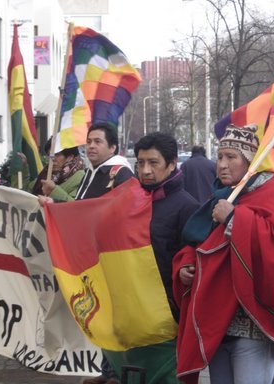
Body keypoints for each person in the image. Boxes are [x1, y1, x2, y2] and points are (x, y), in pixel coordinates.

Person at [172, 124, 274, 384]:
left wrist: (235, 218)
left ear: (251, 161)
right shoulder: (222, 197)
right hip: (218, 324)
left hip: (254, 328)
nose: (222, 164)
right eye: (220, 156)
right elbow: (197, 242)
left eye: (231, 157)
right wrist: (187, 265)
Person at [40, 123, 134, 384]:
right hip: (94, 257)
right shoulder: (95, 172)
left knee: (112, 317)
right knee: (102, 316)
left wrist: (57, 199)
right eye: (89, 141)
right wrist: (53, 205)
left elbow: (97, 213)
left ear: (113, 147)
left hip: (110, 257)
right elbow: (80, 210)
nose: (91, 146)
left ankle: (115, 374)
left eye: (98, 142)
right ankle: (107, 372)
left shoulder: (118, 173)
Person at [103, 132, 200, 383]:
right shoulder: (128, 200)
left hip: (166, 318)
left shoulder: (186, 206)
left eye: (153, 163)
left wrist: (186, 271)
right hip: (130, 312)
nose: (145, 170)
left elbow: (193, 255)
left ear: (172, 163)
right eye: (140, 162)